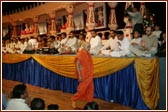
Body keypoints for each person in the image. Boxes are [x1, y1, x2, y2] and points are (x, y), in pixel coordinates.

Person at [71, 42, 94, 108]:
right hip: (83, 74)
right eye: (87, 46)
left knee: (90, 89)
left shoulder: (88, 54)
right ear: (83, 46)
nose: (89, 48)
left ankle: (90, 102)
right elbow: (77, 65)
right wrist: (80, 75)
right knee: (82, 89)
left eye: (89, 46)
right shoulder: (80, 53)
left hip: (89, 74)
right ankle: (74, 99)